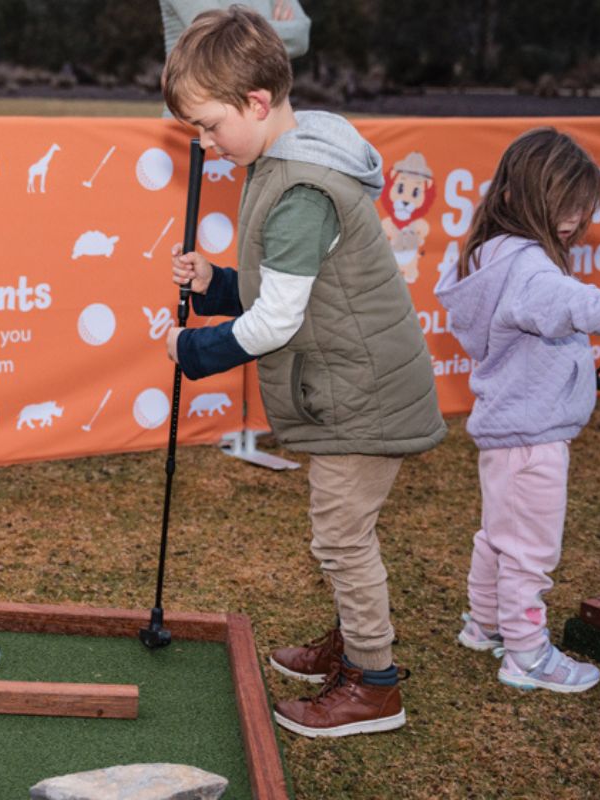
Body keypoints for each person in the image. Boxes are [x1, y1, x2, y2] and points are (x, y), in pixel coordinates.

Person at [161, 8, 446, 738]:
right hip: (350, 384)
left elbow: (275, 322)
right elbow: (284, 287)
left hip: (362, 396)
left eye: (209, 125)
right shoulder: (278, 159)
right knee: (343, 531)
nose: (204, 142)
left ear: (256, 104)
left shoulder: (297, 188)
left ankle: (374, 684)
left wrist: (194, 351)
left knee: (341, 538)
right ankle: (353, 643)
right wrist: (217, 282)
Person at [434, 128, 600, 693]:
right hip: (532, 437)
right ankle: (527, 655)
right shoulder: (530, 267)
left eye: (579, 210)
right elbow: (570, 301)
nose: (572, 221)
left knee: (498, 537)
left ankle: (484, 625)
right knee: (529, 552)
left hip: (507, 432)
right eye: (561, 207)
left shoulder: (488, 255)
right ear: (519, 198)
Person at [160, 0, 310, 61]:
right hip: (198, 119)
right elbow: (221, 39)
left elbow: (300, 38)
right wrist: (279, 30)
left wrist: (242, 31)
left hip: (265, 116)